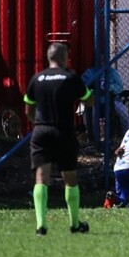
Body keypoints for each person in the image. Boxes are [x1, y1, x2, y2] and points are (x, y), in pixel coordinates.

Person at [24, 42, 94, 236]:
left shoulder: (36, 79)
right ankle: (74, 224)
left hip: (41, 131)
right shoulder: (70, 77)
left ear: (49, 57)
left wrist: (38, 123)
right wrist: (89, 95)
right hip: (63, 131)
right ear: (64, 58)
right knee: (69, 177)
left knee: (41, 178)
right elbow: (88, 99)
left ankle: (41, 226)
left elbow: (28, 109)